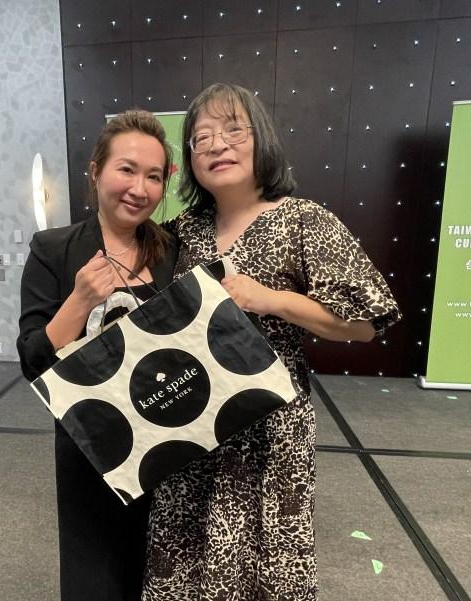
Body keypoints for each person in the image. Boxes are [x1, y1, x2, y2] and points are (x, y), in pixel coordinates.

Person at [141, 83, 401, 600]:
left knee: (266, 555)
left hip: (270, 423)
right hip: (194, 419)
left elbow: (366, 322)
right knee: (185, 547)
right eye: (201, 138)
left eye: (233, 130)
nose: (217, 145)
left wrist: (273, 300)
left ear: (261, 138)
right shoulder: (178, 232)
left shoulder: (304, 220)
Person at [17, 109, 177, 601]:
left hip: (171, 440)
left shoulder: (172, 250)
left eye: (154, 176)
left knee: (161, 572)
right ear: (96, 171)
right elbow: (32, 360)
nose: (139, 188)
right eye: (126, 169)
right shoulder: (54, 249)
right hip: (91, 446)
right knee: (95, 574)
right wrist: (79, 300)